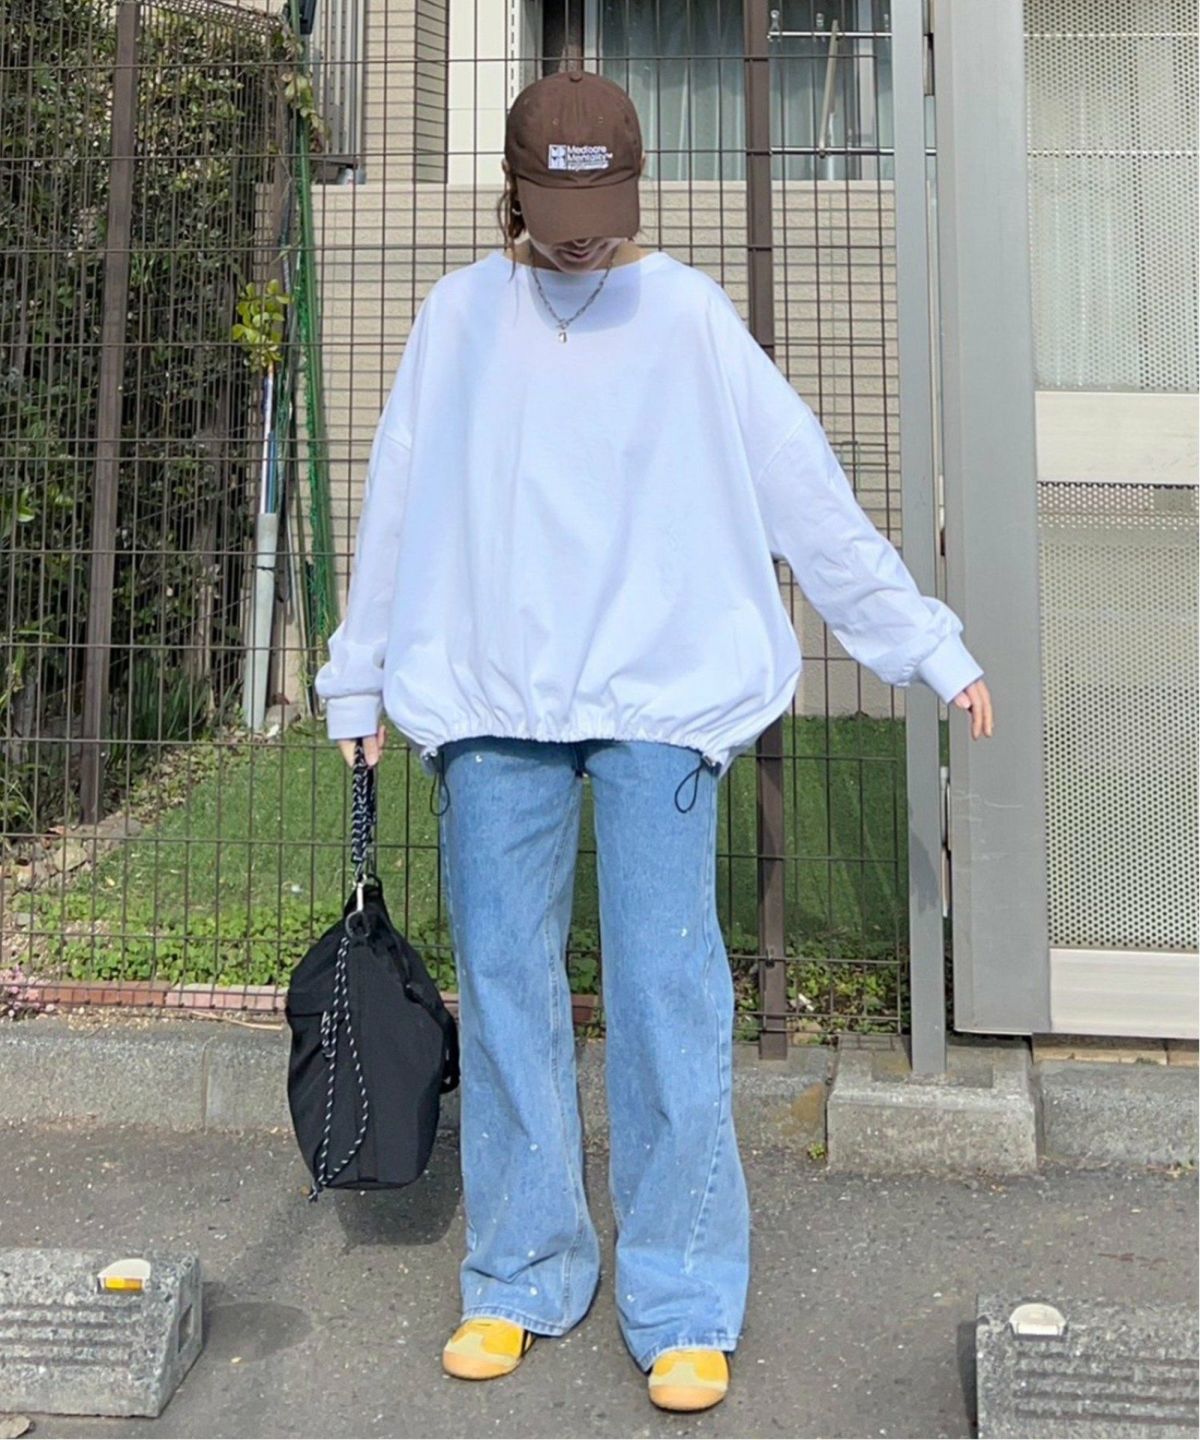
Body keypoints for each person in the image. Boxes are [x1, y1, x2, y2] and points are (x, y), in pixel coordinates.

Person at [314, 69, 994, 1413]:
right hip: (493, 694)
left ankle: (683, 1295)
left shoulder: (684, 315)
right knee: (503, 985)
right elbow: (396, 502)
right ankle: (520, 1271)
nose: (582, 242)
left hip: (658, 701)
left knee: (668, 990)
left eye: (603, 211)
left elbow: (803, 485)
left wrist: (922, 639)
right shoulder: (457, 319)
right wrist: (357, 678)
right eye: (556, 211)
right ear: (514, 194)